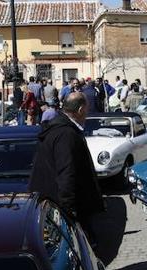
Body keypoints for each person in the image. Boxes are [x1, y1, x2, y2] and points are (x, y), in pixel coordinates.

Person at [29, 92, 105, 243]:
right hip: (61, 207)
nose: (87, 113)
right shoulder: (66, 134)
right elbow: (66, 172)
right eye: (87, 110)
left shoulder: (61, 128)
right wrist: (69, 210)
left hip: (55, 202)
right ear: (81, 109)